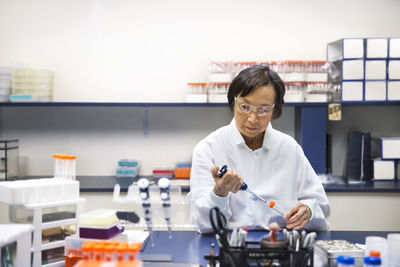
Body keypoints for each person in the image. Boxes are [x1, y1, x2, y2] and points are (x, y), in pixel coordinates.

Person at [189, 64, 330, 233]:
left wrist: (307, 210)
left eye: (263, 110)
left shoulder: (289, 148)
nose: (253, 118)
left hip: (279, 246)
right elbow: (203, 226)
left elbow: (321, 207)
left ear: (274, 110)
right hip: (228, 246)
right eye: (245, 107)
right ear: (233, 102)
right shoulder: (208, 149)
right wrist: (219, 192)